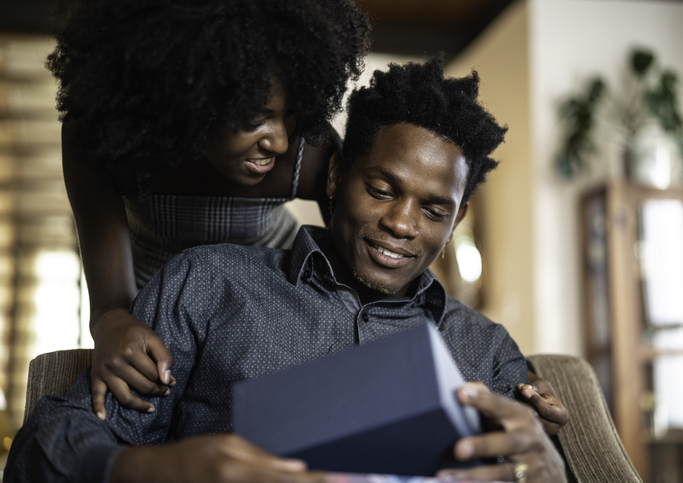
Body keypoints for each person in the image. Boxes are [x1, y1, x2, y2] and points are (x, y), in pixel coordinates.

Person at [5, 58, 566, 483]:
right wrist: (155, 469)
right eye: (380, 190)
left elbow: (532, 465)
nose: (402, 223)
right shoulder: (207, 285)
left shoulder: (486, 350)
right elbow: (42, 449)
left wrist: (549, 470)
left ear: (457, 218)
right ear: (334, 175)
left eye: (434, 210)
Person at [48, 0, 370, 418]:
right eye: (256, 119)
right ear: (186, 99)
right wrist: (114, 324)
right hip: (154, 295)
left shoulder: (311, 151)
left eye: (288, 116)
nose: (279, 142)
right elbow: (111, 306)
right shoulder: (101, 142)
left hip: (271, 288)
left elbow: (354, 285)